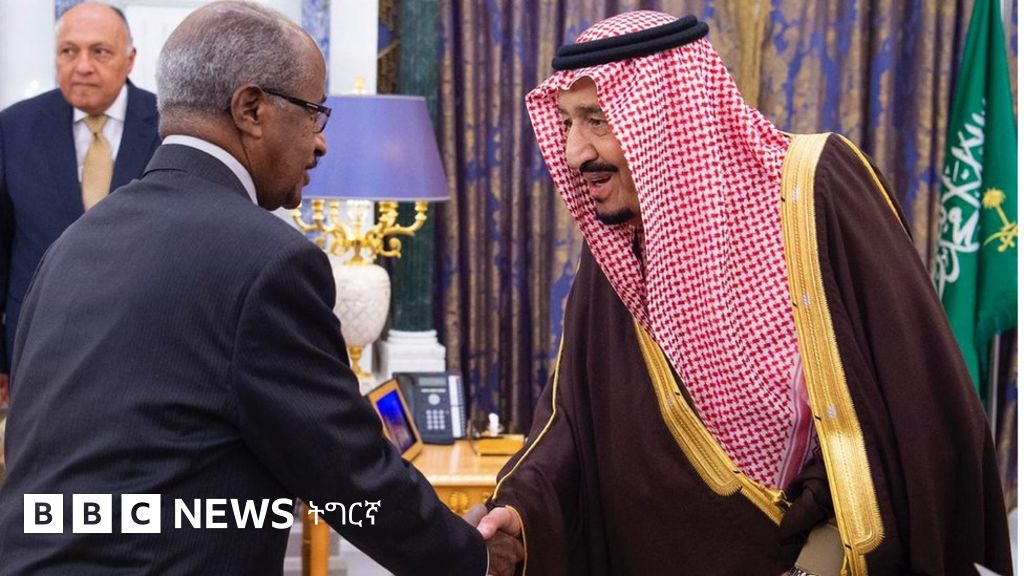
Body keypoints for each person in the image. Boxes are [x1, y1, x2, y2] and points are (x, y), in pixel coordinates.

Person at [472, 11, 1013, 576]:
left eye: (598, 120)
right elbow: (570, 422)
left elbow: (916, 402)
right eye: (566, 123)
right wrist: (521, 512)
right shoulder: (617, 253)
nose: (574, 153)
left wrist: (825, 538)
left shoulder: (815, 190)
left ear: (669, 117)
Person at [0, 3, 516, 574]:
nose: (321, 144)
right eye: (315, 114)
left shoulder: (71, 244)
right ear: (251, 109)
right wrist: (474, 557)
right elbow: (348, 473)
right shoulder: (268, 260)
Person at [0, 2, 160, 406]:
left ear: (130, 59)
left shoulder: (168, 126)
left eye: (99, 51)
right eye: (69, 51)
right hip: (37, 350)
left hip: (143, 353)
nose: (82, 66)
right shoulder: (13, 128)